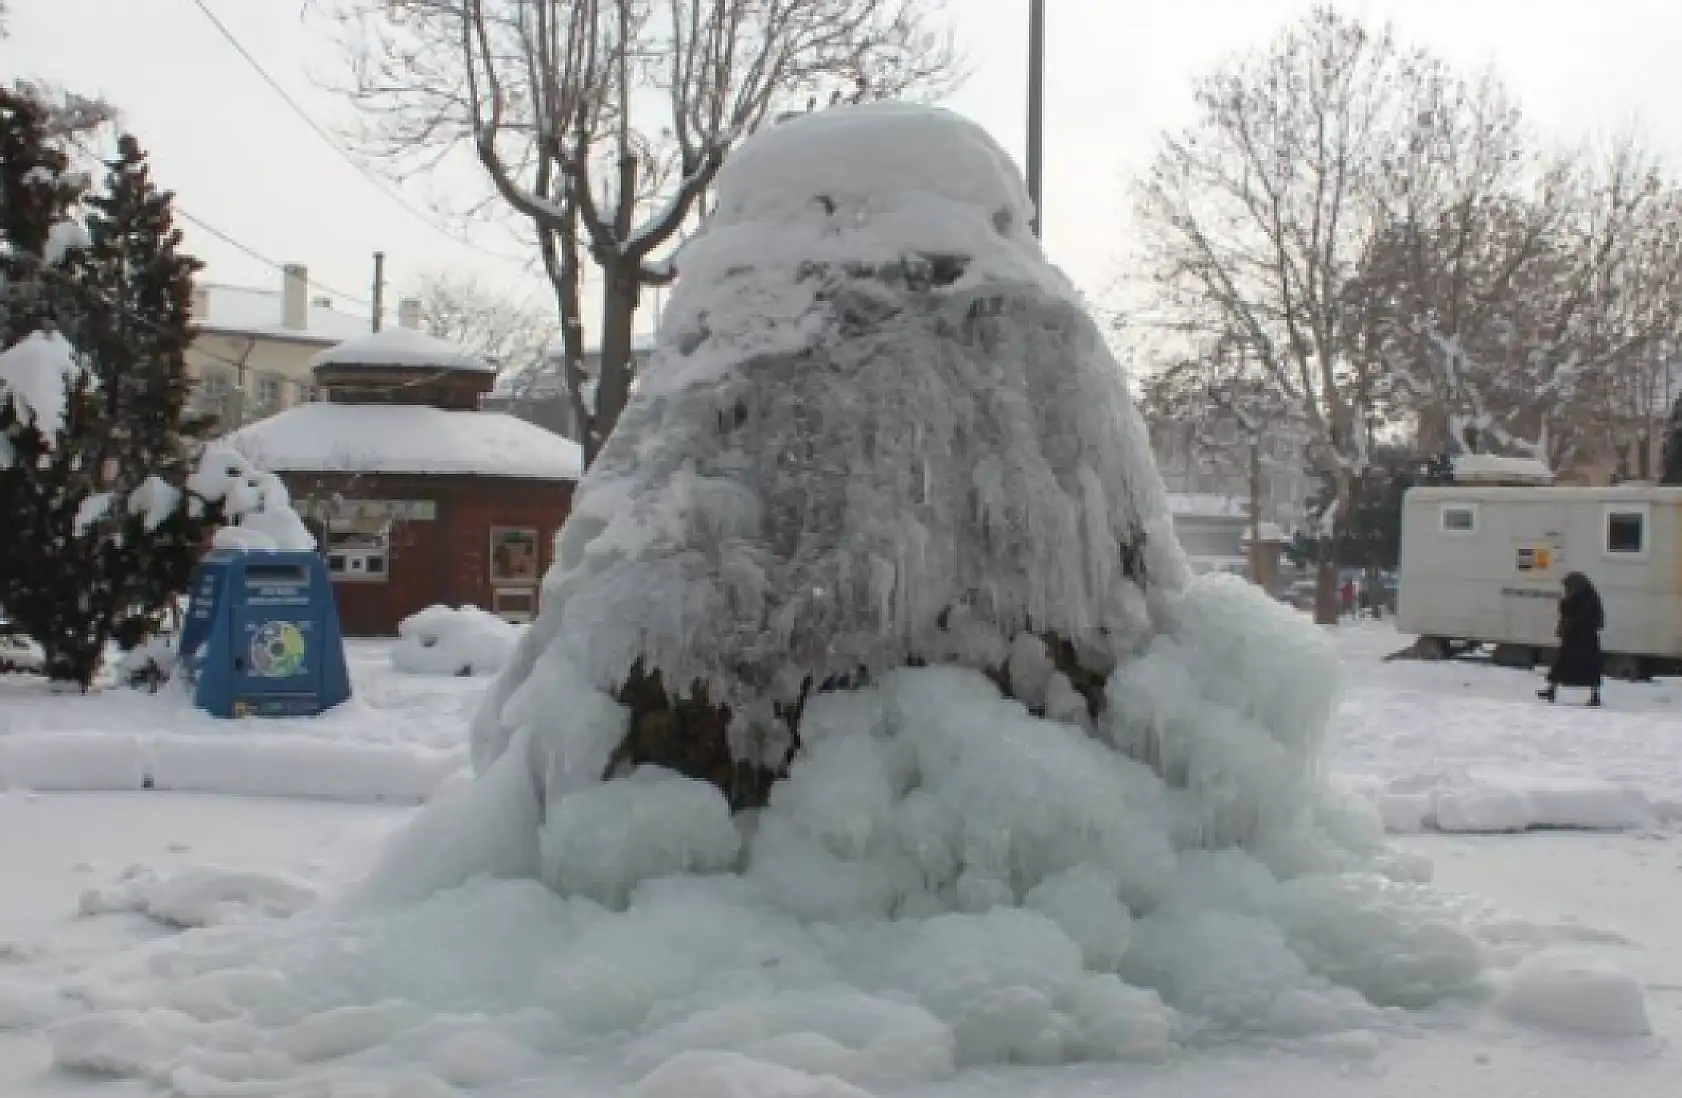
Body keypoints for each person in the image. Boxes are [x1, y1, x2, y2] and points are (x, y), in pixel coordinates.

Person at [1539, 571, 1604, 707]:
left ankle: (1552, 690)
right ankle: (1594, 696)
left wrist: (1563, 606)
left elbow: (1567, 612)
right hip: (1588, 639)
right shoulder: (1592, 596)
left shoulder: (1577, 598)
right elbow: (1600, 620)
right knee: (1590, 669)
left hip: (1575, 638)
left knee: (1562, 664)